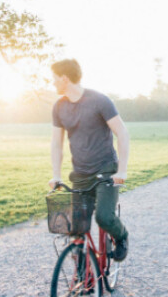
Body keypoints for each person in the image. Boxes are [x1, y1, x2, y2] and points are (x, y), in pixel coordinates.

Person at [48, 59, 130, 261]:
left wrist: (122, 170)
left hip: (106, 171)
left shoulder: (99, 101)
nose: (53, 83)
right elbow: (56, 144)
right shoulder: (59, 107)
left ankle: (122, 237)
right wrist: (56, 176)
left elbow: (122, 133)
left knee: (103, 217)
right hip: (80, 175)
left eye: (54, 79)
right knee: (75, 228)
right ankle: (85, 275)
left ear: (64, 79)